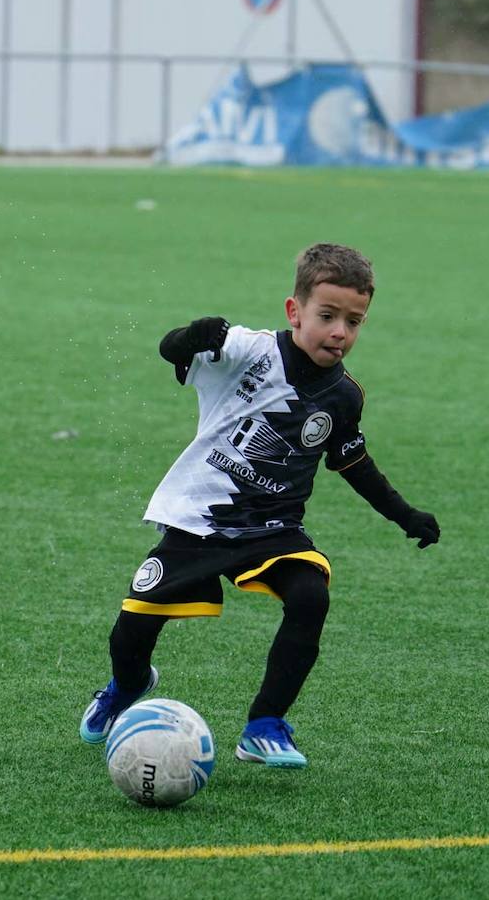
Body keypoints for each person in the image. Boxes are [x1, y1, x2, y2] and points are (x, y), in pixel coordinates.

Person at [78, 243, 441, 769]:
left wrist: (405, 514)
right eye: (327, 316)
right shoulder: (247, 351)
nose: (340, 332)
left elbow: (353, 463)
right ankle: (127, 685)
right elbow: (169, 349)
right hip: (199, 520)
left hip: (273, 530)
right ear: (294, 312)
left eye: (354, 321)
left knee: (311, 595)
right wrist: (190, 335)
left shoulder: (344, 396)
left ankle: (265, 724)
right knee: (133, 628)